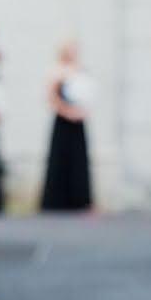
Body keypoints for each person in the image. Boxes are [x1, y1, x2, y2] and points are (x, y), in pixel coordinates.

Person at [40, 40, 93, 211]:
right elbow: (52, 97)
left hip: (78, 119)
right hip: (64, 120)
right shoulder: (58, 71)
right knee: (60, 160)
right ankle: (57, 200)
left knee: (79, 161)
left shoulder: (80, 69)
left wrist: (83, 110)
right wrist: (68, 111)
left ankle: (80, 199)